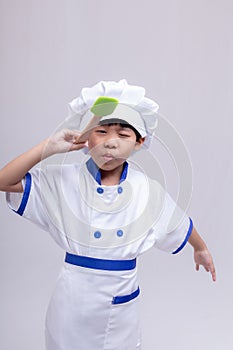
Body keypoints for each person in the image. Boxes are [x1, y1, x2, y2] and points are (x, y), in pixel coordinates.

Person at [0, 79, 216, 350]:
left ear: (140, 142)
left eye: (123, 136)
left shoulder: (146, 190)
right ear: (86, 139)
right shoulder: (64, 180)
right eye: (100, 132)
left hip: (121, 300)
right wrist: (48, 147)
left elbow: (177, 221)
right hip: (72, 302)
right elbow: (4, 181)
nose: (111, 144)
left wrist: (201, 248)